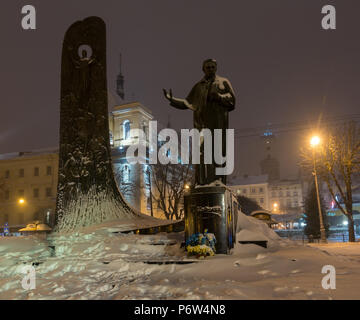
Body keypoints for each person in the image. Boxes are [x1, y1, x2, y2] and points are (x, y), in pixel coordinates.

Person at [163, 59, 235, 185]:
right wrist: (172, 99)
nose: (211, 69)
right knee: (200, 153)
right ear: (203, 69)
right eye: (208, 67)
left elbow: (232, 101)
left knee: (217, 153)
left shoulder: (223, 83)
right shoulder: (198, 87)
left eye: (213, 67)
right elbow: (187, 103)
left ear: (216, 68)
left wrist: (218, 97)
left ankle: (217, 182)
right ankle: (202, 183)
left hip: (217, 126)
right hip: (201, 126)